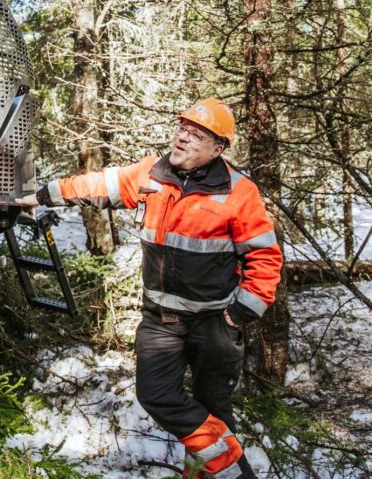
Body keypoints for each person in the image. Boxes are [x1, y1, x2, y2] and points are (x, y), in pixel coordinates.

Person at [20, 99, 282, 479]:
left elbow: (264, 257)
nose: (182, 137)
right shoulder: (151, 174)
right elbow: (98, 184)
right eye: (182, 129)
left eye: (196, 134)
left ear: (218, 148)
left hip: (214, 323)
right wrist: (43, 194)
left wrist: (238, 314)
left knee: (213, 413)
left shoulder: (239, 192)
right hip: (161, 321)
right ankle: (238, 474)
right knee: (156, 394)